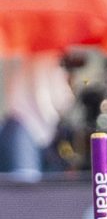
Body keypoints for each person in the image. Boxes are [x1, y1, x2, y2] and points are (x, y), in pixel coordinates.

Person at [0, 52, 76, 181]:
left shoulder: (26, 55)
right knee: (25, 192)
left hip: (22, 126)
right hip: (27, 128)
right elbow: (61, 100)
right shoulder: (48, 58)